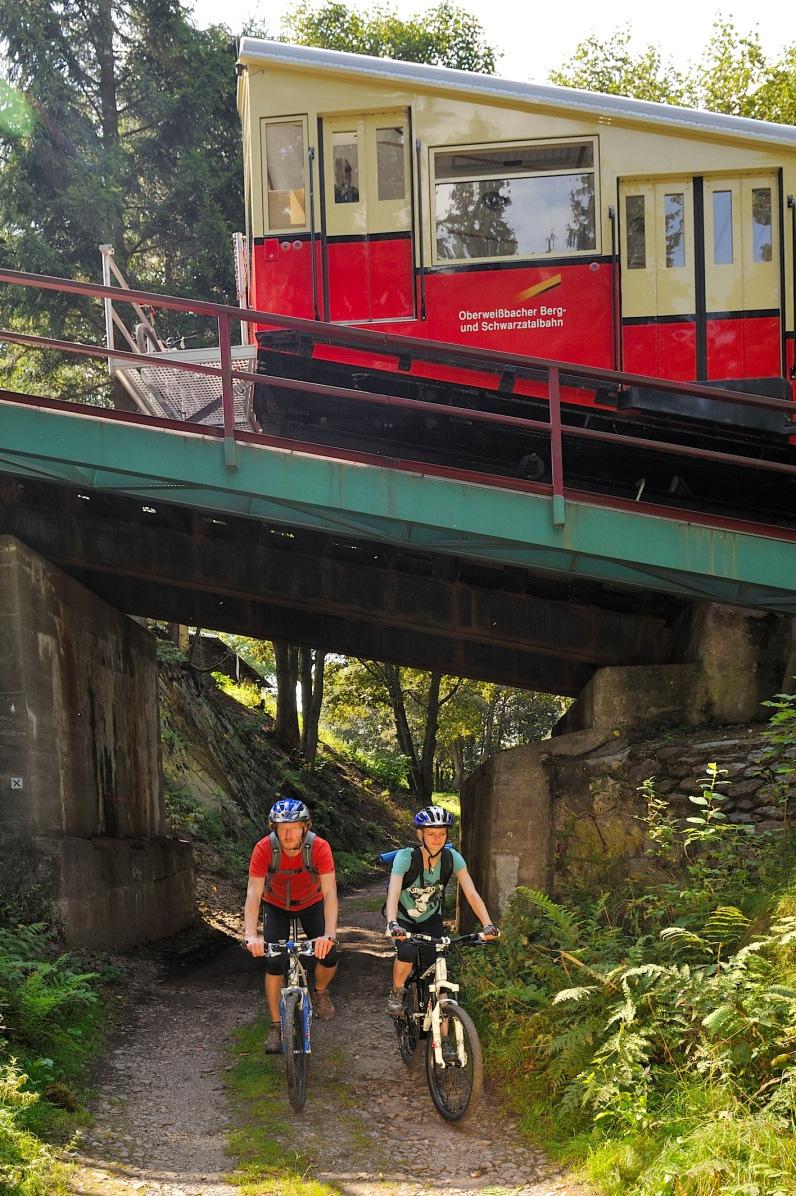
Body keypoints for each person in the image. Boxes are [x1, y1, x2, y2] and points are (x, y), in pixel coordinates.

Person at [384, 804, 499, 1016]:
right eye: (431, 834)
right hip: (403, 919)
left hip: (430, 919)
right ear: (421, 835)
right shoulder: (406, 857)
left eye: (442, 833)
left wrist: (488, 924)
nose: (437, 839)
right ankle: (397, 991)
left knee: (437, 967)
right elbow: (393, 893)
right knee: (407, 950)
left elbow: (472, 894)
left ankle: (441, 1031)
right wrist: (393, 923)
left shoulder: (452, 858)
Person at [244, 797, 339, 1051]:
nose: (287, 833)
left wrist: (329, 934)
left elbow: (330, 893)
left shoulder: (319, 847)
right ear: (274, 829)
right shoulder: (264, 848)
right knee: (274, 962)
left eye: (294, 827)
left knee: (329, 955)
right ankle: (276, 1025)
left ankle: (320, 991)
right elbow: (254, 893)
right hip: (275, 905)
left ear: (304, 828)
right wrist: (251, 934)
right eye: (282, 828)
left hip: (311, 902)